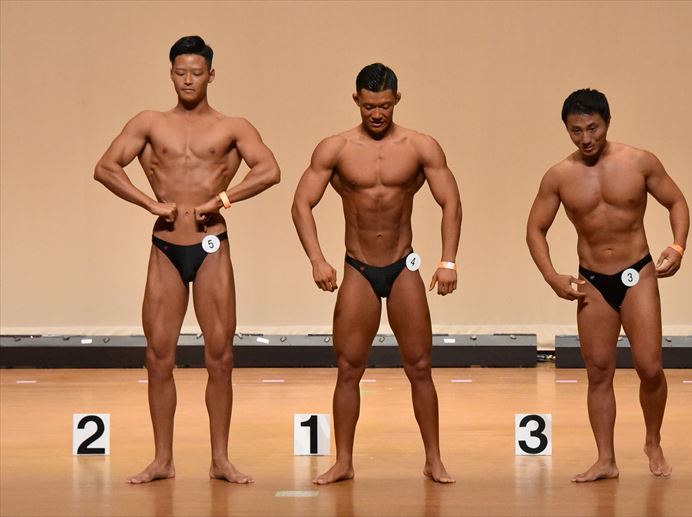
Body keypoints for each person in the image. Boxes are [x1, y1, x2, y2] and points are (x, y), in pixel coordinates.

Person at [94, 35, 280, 484]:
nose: (189, 80)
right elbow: (105, 167)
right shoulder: (150, 123)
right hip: (165, 246)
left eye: (197, 72)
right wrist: (148, 203)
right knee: (158, 356)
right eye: (181, 72)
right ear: (171, 74)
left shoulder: (232, 127)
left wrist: (223, 199)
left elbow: (270, 170)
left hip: (212, 243)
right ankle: (163, 459)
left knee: (221, 357)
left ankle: (220, 460)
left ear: (211, 75)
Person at [291, 63, 462, 485]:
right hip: (358, 267)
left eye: (384, 105)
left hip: (404, 265)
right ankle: (344, 461)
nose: (377, 113)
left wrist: (448, 260)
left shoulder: (421, 146)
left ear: (397, 99)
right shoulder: (336, 148)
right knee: (349, 367)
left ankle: (434, 460)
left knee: (420, 365)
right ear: (356, 100)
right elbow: (301, 203)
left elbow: (451, 202)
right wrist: (316, 259)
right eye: (369, 106)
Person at [527, 88, 689, 482]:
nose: (585, 138)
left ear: (607, 123)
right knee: (598, 371)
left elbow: (677, 202)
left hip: (638, 274)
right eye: (576, 131)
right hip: (593, 281)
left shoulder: (639, 162)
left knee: (650, 367)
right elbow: (535, 229)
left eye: (593, 128)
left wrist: (678, 245)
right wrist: (551, 275)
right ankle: (606, 459)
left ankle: (653, 441)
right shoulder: (559, 176)